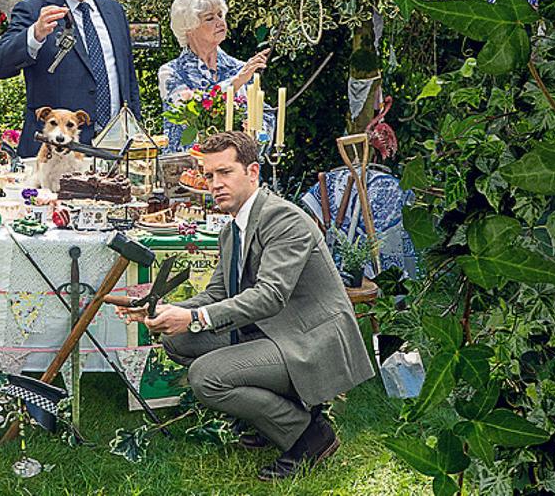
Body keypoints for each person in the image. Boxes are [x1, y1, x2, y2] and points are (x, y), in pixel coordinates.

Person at [118, 131, 374, 481]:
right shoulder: (232, 230)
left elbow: (270, 295)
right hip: (273, 331)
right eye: (209, 176)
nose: (215, 184)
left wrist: (195, 317)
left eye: (225, 172)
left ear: (253, 172)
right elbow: (216, 293)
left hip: (310, 340)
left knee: (206, 378)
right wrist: (160, 309)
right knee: (177, 340)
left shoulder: (283, 219)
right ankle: (273, 414)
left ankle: (309, 435)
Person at [0, 0, 140, 158]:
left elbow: (128, 79)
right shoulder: (33, 10)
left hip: (114, 148)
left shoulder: (114, 10)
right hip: (55, 152)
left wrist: (136, 134)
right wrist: (35, 34)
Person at [158, 0, 273, 152]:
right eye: (210, 18)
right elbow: (192, 113)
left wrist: (256, 136)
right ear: (189, 28)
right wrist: (236, 82)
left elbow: (265, 117)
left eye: (220, 15)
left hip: (237, 164)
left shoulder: (240, 68)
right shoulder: (171, 72)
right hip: (188, 166)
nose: (220, 22)